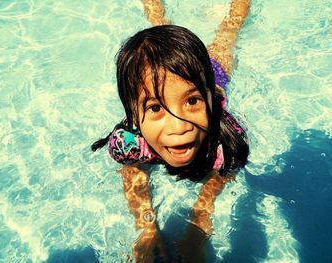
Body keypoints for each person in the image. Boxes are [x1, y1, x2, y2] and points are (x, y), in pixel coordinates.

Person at [92, 0, 251, 261]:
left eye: (193, 101)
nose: (179, 127)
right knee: (158, 34)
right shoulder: (129, 142)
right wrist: (146, 226)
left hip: (213, 75)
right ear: (133, 114)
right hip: (189, 80)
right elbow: (133, 172)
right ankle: (154, 9)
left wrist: (199, 225)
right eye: (155, 108)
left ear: (209, 99)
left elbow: (222, 175)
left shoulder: (227, 143)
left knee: (227, 34)